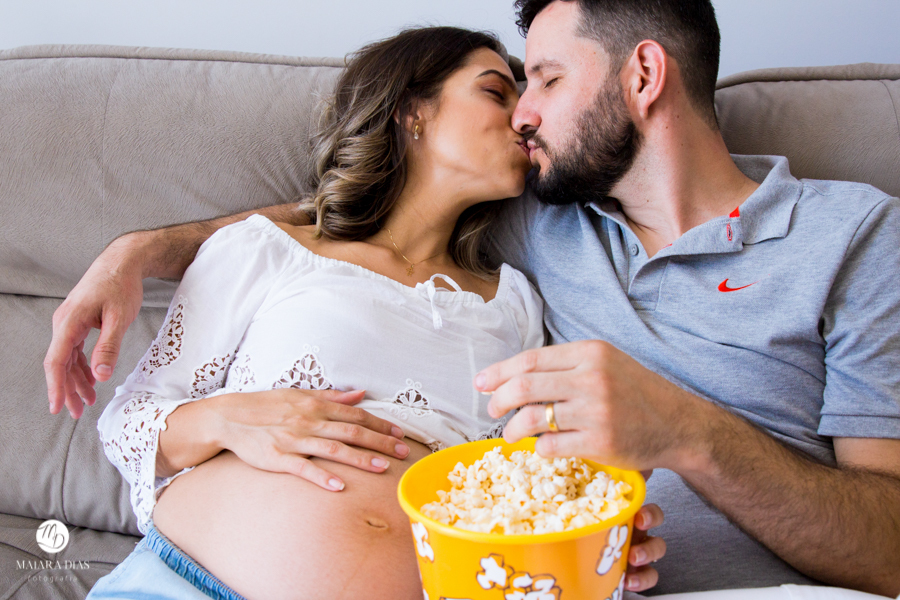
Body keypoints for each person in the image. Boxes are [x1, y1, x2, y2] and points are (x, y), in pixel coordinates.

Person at [47, 0, 900, 597]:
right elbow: (351, 222)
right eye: (509, 89)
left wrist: (671, 449)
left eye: (546, 82)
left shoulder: (853, 237)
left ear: (644, 74)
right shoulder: (543, 220)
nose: (526, 116)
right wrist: (144, 248)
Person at [78, 26, 664, 600]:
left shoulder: (517, 302)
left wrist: (596, 543)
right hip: (184, 580)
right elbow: (128, 423)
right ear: (414, 112)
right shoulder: (269, 250)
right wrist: (226, 419)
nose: (522, 117)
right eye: (495, 91)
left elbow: (524, 476)